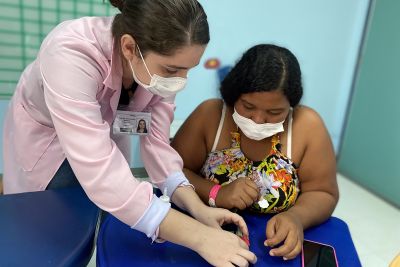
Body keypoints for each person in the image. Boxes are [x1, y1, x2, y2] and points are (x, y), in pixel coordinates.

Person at [2, 0, 257, 266]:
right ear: (128, 47)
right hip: (49, 141)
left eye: (188, 69)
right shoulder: (70, 53)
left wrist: (198, 208)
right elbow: (101, 174)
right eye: (172, 70)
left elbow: (158, 146)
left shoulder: (157, 71)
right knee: (54, 230)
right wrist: (200, 238)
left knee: (103, 213)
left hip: (106, 131)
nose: (180, 81)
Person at [171, 44, 339, 260]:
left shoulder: (308, 126)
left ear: (291, 106)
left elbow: (323, 192)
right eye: (248, 107)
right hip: (203, 237)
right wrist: (216, 193)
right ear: (233, 95)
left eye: (274, 112)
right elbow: (172, 171)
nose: (258, 120)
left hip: (271, 249)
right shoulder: (211, 115)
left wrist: (296, 217)